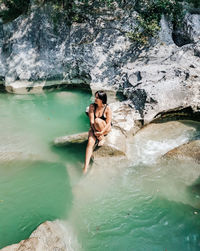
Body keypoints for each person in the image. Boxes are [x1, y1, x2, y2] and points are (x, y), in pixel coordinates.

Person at [83, 90, 112, 173]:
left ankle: (102, 138)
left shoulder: (107, 108)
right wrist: (95, 131)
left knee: (98, 121)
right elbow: (91, 121)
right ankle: (85, 167)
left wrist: (102, 132)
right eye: (95, 97)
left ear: (102, 99)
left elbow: (109, 122)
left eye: (97, 98)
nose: (95, 99)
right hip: (94, 127)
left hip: (105, 127)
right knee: (90, 143)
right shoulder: (92, 106)